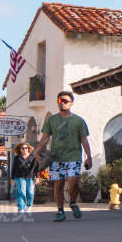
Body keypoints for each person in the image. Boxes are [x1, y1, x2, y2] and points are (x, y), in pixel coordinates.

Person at [32, 91, 92, 222]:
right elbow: (45, 138)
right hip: (56, 157)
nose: (62, 103)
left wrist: (89, 156)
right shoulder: (51, 120)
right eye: (60, 101)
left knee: (72, 182)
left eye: (65, 101)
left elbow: (84, 140)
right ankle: (60, 211)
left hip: (74, 156)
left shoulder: (79, 121)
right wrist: (37, 151)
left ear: (71, 103)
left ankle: (73, 203)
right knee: (58, 185)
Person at [11, 142, 36, 214]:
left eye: (26, 148)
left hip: (30, 177)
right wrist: (12, 178)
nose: (25, 149)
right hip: (20, 177)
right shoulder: (17, 158)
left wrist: (37, 176)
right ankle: (21, 207)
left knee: (30, 193)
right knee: (21, 192)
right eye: (23, 148)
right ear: (20, 150)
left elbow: (35, 168)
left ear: (28, 149)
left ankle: (28, 206)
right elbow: (14, 168)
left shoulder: (32, 157)